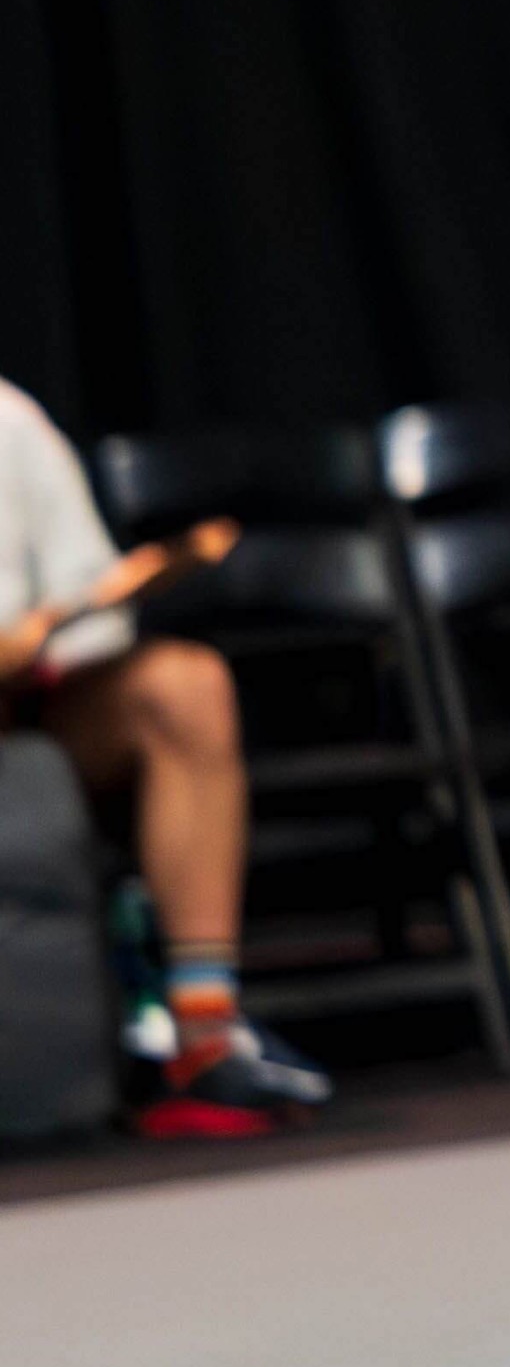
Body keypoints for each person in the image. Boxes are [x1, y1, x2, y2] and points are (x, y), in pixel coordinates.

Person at [0, 378, 328, 1125]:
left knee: (185, 684)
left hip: (27, 731)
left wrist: (34, 648)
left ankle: (204, 1034)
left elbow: (93, 610)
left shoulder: (8, 419)